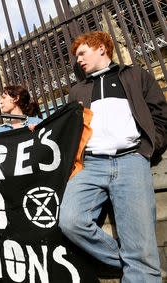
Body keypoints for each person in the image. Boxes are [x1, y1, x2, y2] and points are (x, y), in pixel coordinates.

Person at [58, 31, 167, 282]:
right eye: (76, 57)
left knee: (141, 246)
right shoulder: (77, 91)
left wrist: (146, 149)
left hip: (131, 160)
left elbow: (160, 116)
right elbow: (66, 128)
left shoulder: (136, 75)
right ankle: (132, 262)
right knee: (71, 220)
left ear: (102, 49)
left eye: (82, 53)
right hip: (91, 165)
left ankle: (140, 267)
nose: (78, 61)